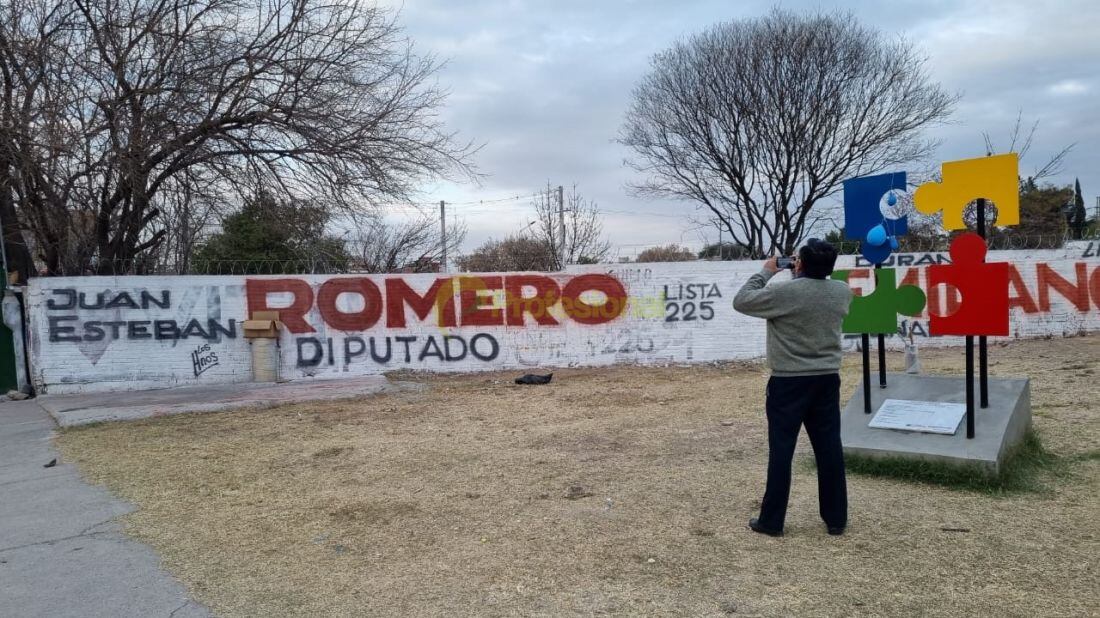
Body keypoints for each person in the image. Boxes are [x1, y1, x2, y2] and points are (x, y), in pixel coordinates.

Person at [732, 238, 853, 537]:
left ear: (799, 264)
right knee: (829, 449)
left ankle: (772, 520)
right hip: (826, 377)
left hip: (788, 380)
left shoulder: (784, 292)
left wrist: (767, 271)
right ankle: (836, 518)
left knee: (782, 450)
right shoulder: (841, 292)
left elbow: (742, 300)